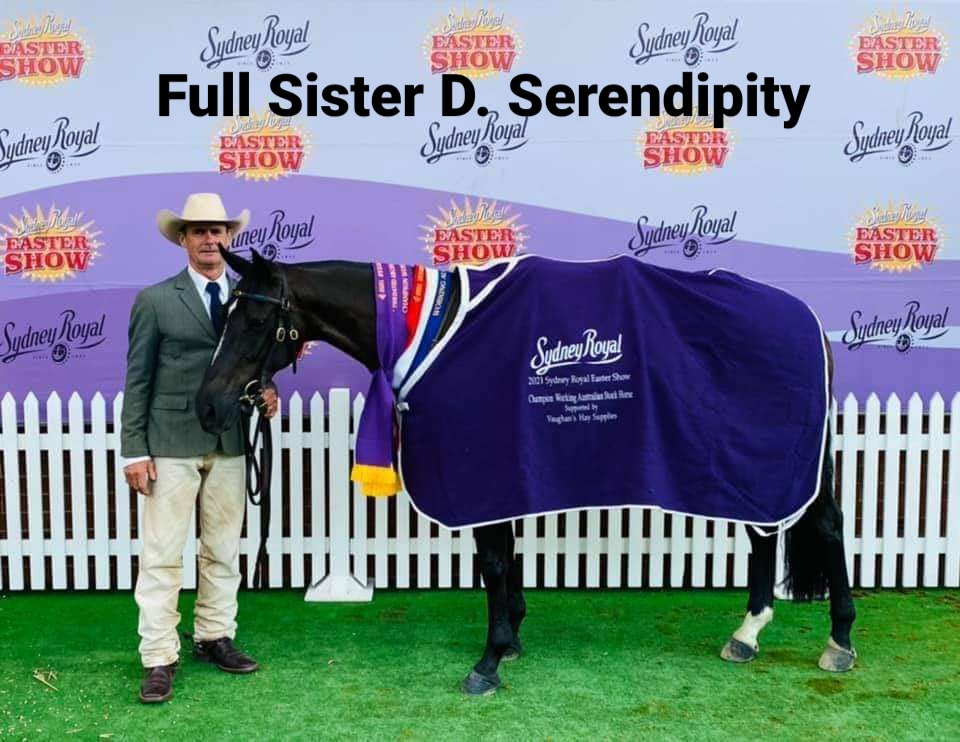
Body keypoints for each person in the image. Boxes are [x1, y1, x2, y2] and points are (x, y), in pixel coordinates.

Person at [120, 193, 278, 704]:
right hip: (170, 441)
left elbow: (251, 362)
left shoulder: (250, 298)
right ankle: (158, 656)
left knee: (223, 550)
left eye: (218, 230)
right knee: (163, 554)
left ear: (229, 238)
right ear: (183, 239)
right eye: (200, 231)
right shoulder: (155, 300)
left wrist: (267, 389)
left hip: (229, 439)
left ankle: (214, 636)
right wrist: (133, 450)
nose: (210, 239)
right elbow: (138, 378)